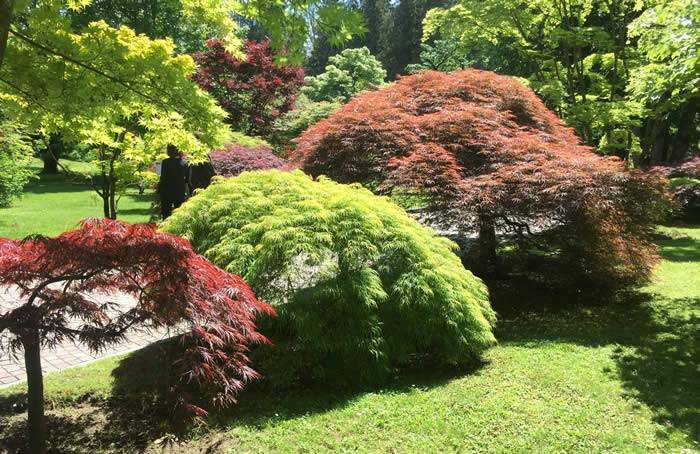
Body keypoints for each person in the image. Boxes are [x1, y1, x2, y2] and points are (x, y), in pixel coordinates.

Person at [158, 144, 189, 219]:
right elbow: (187, 179)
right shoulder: (184, 163)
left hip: (166, 190)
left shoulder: (165, 162)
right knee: (179, 215)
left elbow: (163, 177)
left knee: (166, 214)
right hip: (179, 191)